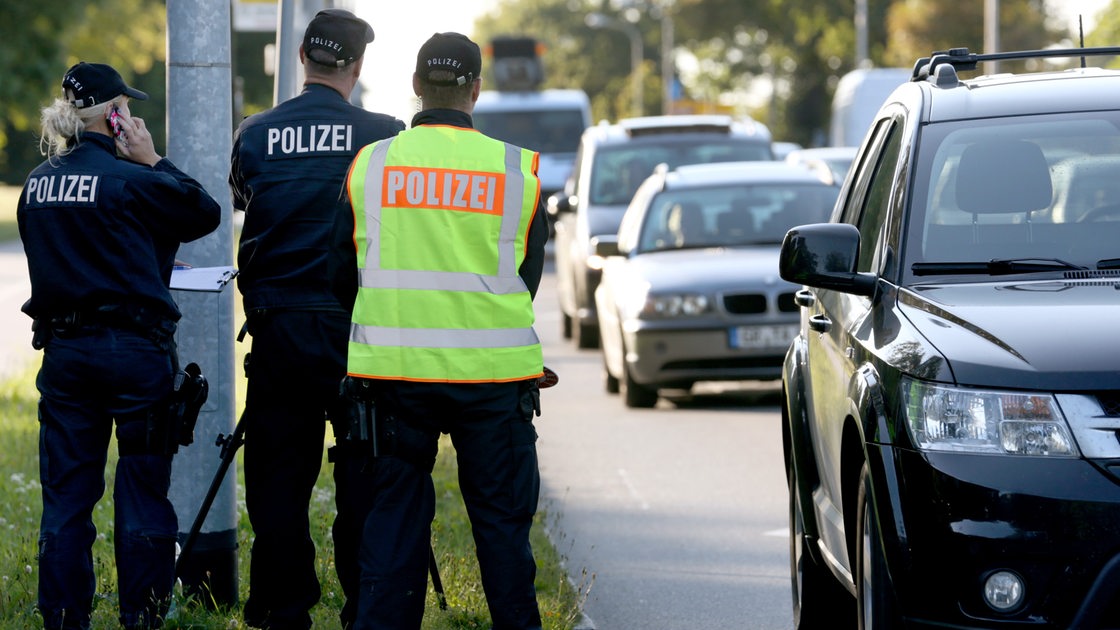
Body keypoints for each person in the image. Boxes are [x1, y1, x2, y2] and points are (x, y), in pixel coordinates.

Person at [343, 32, 548, 630]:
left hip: (393, 377)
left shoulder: (372, 165)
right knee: (503, 530)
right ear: (476, 91)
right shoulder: (518, 169)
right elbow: (526, 279)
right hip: (492, 380)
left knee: (393, 522)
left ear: (414, 86)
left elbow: (340, 270)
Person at [17, 61, 221, 629]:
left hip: (65, 358)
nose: (132, 114)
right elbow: (204, 212)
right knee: (142, 492)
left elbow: (77, 252)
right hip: (134, 356)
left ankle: (62, 619)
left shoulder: (36, 183)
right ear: (113, 116)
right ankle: (143, 618)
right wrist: (153, 158)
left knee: (66, 501)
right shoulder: (135, 179)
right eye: (126, 107)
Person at [228, 8, 406, 630]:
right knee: (365, 473)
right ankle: (366, 605)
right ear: (358, 66)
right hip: (357, 333)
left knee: (278, 478)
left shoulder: (254, 133)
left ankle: (283, 609)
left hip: (279, 332)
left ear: (300, 54)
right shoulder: (384, 134)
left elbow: (245, 200)